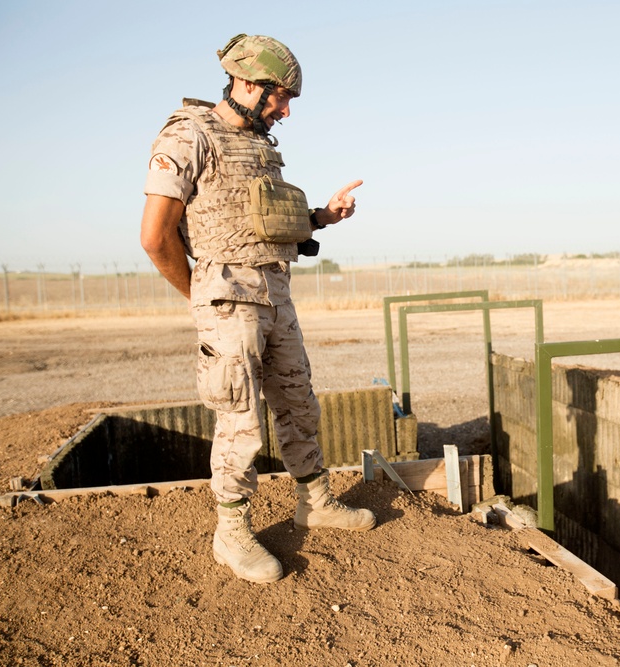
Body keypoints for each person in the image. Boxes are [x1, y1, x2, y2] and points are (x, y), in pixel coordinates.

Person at [140, 33, 375, 585]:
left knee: (298, 401)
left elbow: (265, 220)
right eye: (279, 97)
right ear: (246, 83)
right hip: (228, 300)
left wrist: (322, 216)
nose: (286, 110)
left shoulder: (259, 145)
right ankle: (231, 531)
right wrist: (202, 296)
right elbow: (155, 238)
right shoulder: (187, 135)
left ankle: (314, 500)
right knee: (239, 417)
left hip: (275, 294)